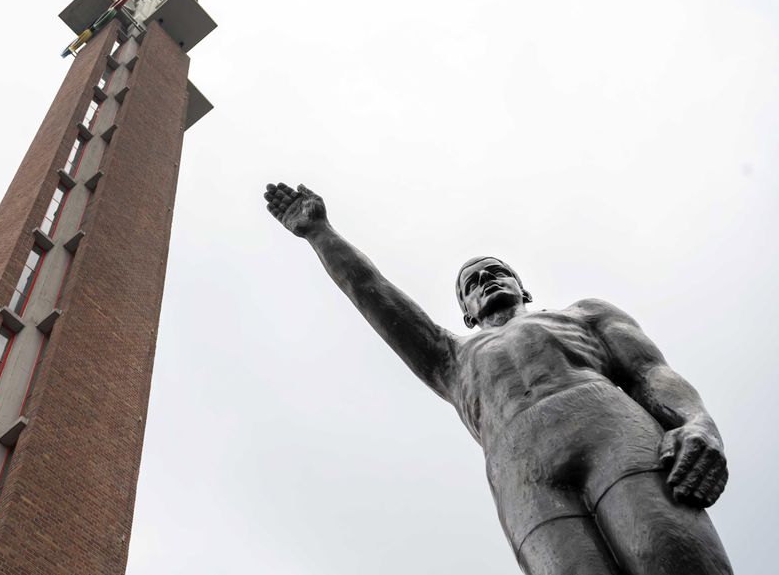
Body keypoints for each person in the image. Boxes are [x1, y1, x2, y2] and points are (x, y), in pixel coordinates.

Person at [264, 182, 732, 575]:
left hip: (611, 432)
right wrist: (321, 234)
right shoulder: (450, 359)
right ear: (465, 314)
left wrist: (696, 422)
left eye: (495, 272)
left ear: (522, 286)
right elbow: (373, 293)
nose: (485, 280)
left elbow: (650, 372)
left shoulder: (586, 313)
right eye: (471, 284)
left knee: (669, 553)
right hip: (523, 473)